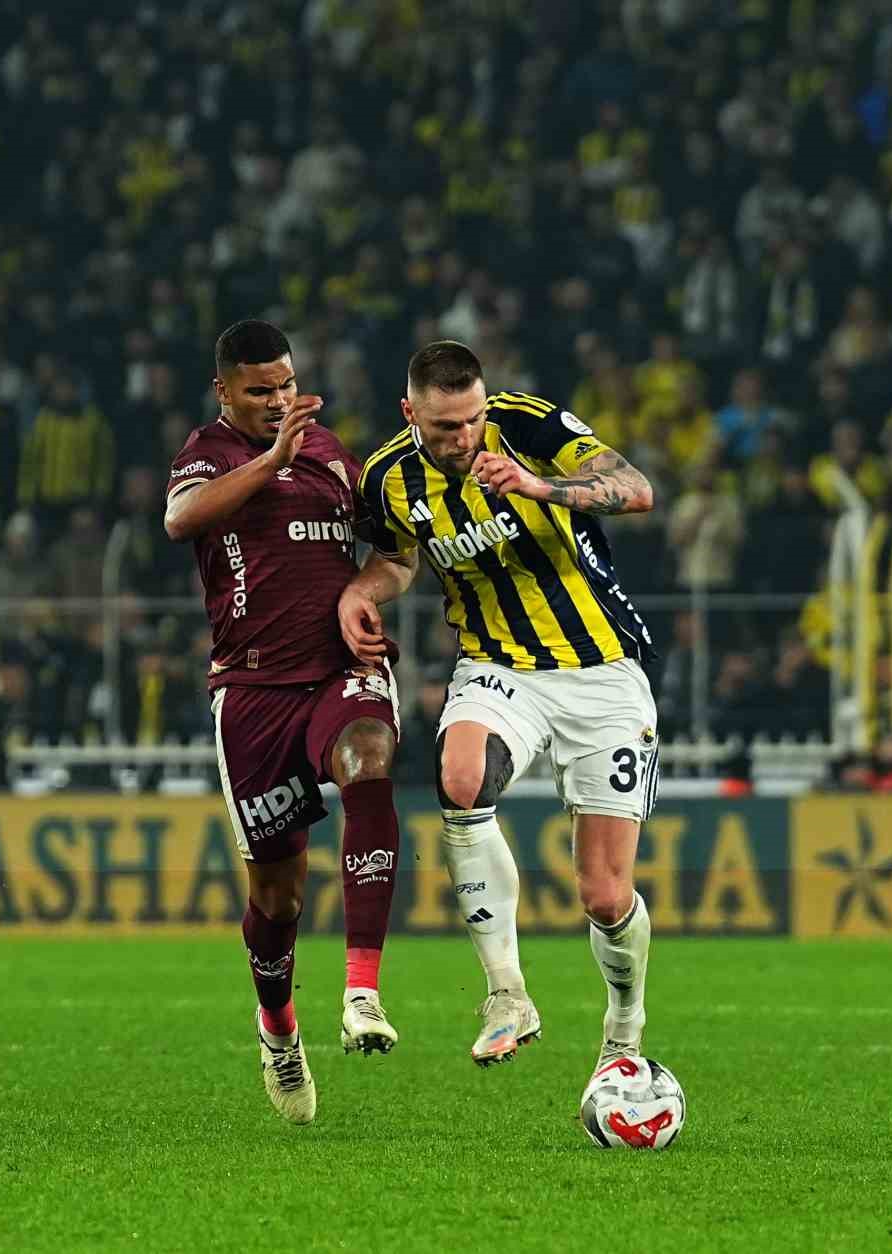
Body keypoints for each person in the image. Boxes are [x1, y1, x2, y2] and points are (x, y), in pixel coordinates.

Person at [339, 340, 659, 1080]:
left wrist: (538, 486)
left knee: (604, 894)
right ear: (409, 413)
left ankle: (624, 1026)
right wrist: (360, 591)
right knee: (460, 777)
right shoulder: (387, 478)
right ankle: (507, 994)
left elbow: (636, 489)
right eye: (445, 426)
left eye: (471, 420)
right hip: (498, 664)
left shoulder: (527, 425)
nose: (463, 439)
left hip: (603, 671)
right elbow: (396, 559)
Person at [164, 320, 403, 1126]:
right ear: (224, 390)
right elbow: (181, 520)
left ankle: (362, 991)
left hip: (339, 671)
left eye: (286, 384)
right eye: (259, 389)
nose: (277, 400)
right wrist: (270, 462)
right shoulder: (207, 453)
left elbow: (397, 552)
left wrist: (363, 591)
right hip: (253, 690)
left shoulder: (333, 453)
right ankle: (278, 1030)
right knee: (278, 896)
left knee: (369, 756)